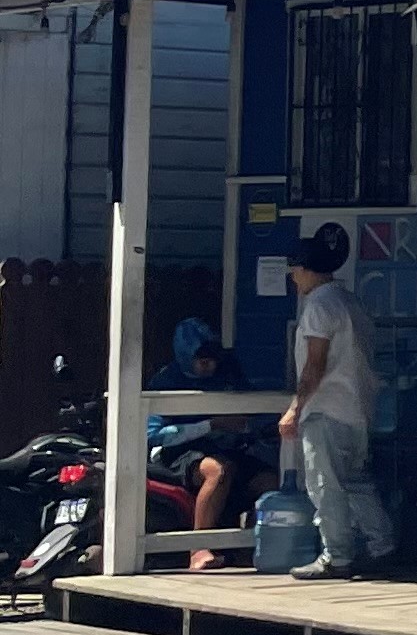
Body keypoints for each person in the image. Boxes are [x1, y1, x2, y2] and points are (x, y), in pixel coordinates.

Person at [277, 226, 394, 581]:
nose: (293, 280)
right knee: (356, 481)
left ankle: (337, 556)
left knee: (324, 484)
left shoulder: (318, 306)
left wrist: (296, 408)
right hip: (358, 408)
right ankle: (382, 543)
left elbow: (315, 364)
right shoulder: (350, 301)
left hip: (325, 408)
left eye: (295, 272)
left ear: (306, 269)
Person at [146, 317, 269, 572]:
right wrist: (211, 425)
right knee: (218, 470)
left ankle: (253, 547)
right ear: (185, 357)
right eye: (202, 360)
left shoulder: (228, 373)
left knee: (271, 480)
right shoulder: (165, 381)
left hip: (228, 447)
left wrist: (248, 426)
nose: (209, 366)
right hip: (178, 453)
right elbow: (153, 435)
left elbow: (252, 410)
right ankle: (198, 548)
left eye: (213, 359)